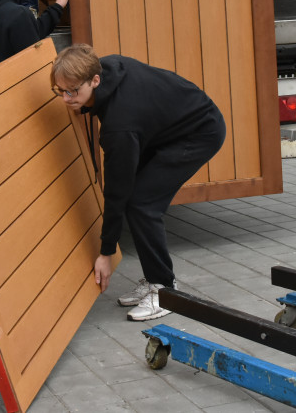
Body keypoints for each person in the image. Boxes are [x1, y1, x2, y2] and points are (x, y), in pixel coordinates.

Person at [50, 44, 226, 321]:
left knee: (142, 204)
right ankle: (155, 278)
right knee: (139, 201)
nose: (66, 99)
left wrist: (106, 251)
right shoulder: (104, 67)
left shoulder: (120, 125)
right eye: (61, 91)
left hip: (199, 132)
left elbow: (116, 191)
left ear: (95, 80)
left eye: (73, 91)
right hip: (166, 129)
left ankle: (165, 290)